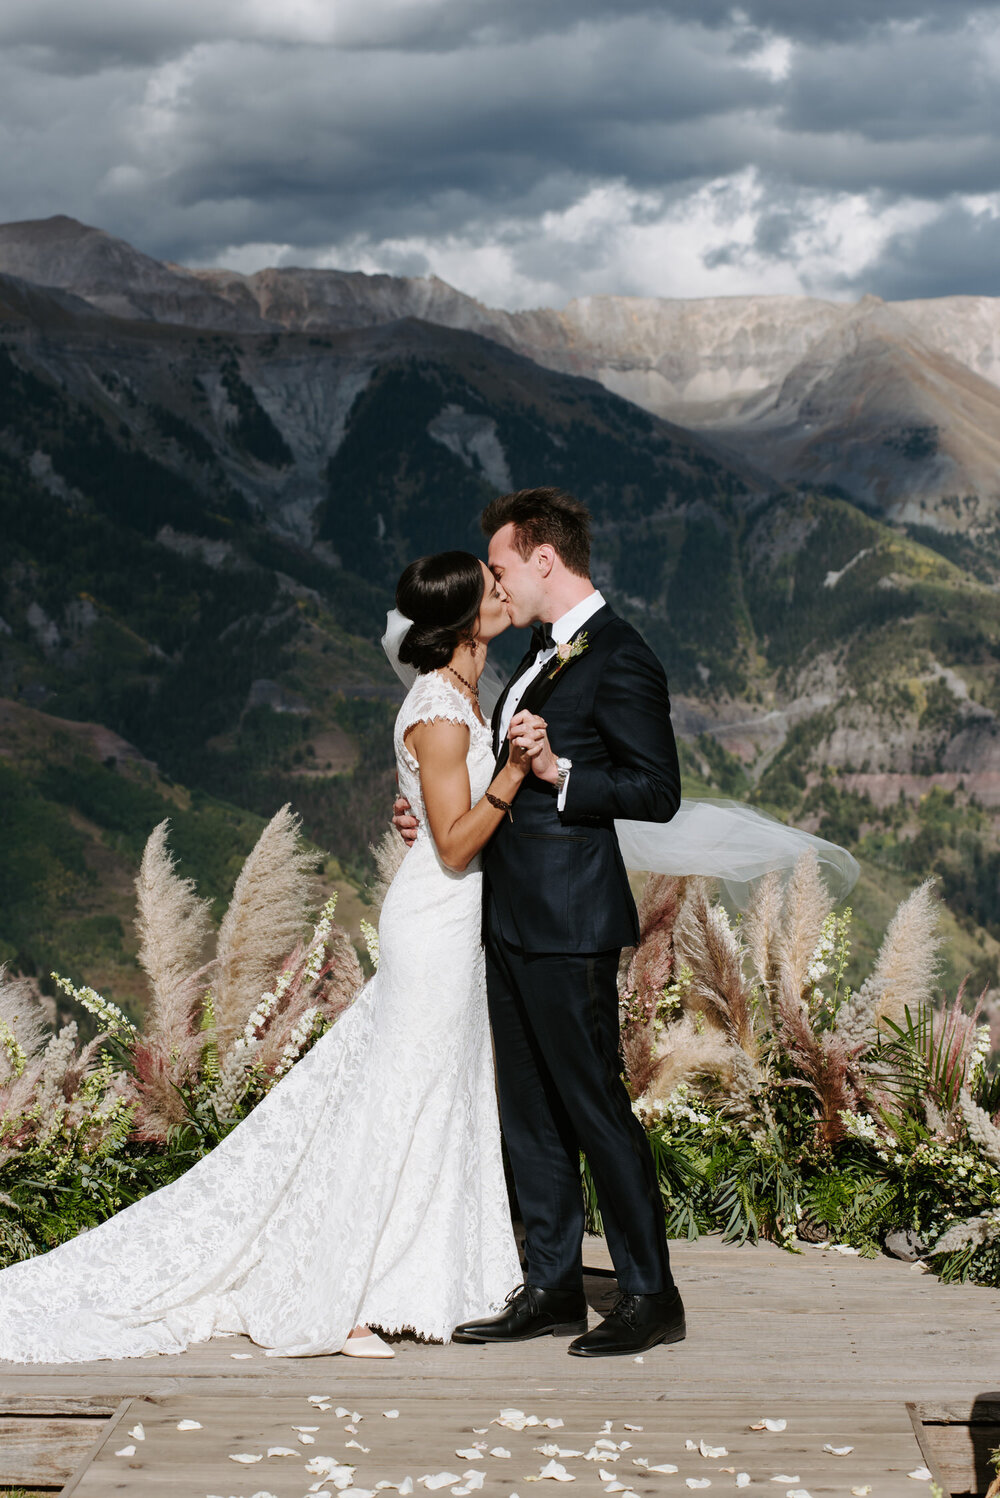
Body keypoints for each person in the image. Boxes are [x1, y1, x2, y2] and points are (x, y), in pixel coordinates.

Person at [0, 551, 546, 1366]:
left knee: (440, 1093)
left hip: (453, 922)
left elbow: (440, 821)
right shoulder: (438, 709)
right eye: (489, 584)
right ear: (466, 618)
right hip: (434, 924)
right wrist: (509, 775)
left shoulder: (468, 691)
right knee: (397, 1100)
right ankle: (346, 1296)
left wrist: (451, 807)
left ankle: (422, 1279)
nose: (504, 589)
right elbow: (460, 843)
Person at [394, 487, 687, 1358]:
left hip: (570, 920)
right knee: (530, 1114)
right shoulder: (532, 652)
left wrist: (559, 771)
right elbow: (480, 771)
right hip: (504, 915)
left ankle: (649, 1293)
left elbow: (658, 792)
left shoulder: (622, 656)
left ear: (543, 560)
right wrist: (424, 811)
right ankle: (553, 1285)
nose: (495, 582)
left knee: (595, 1107)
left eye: (500, 566)